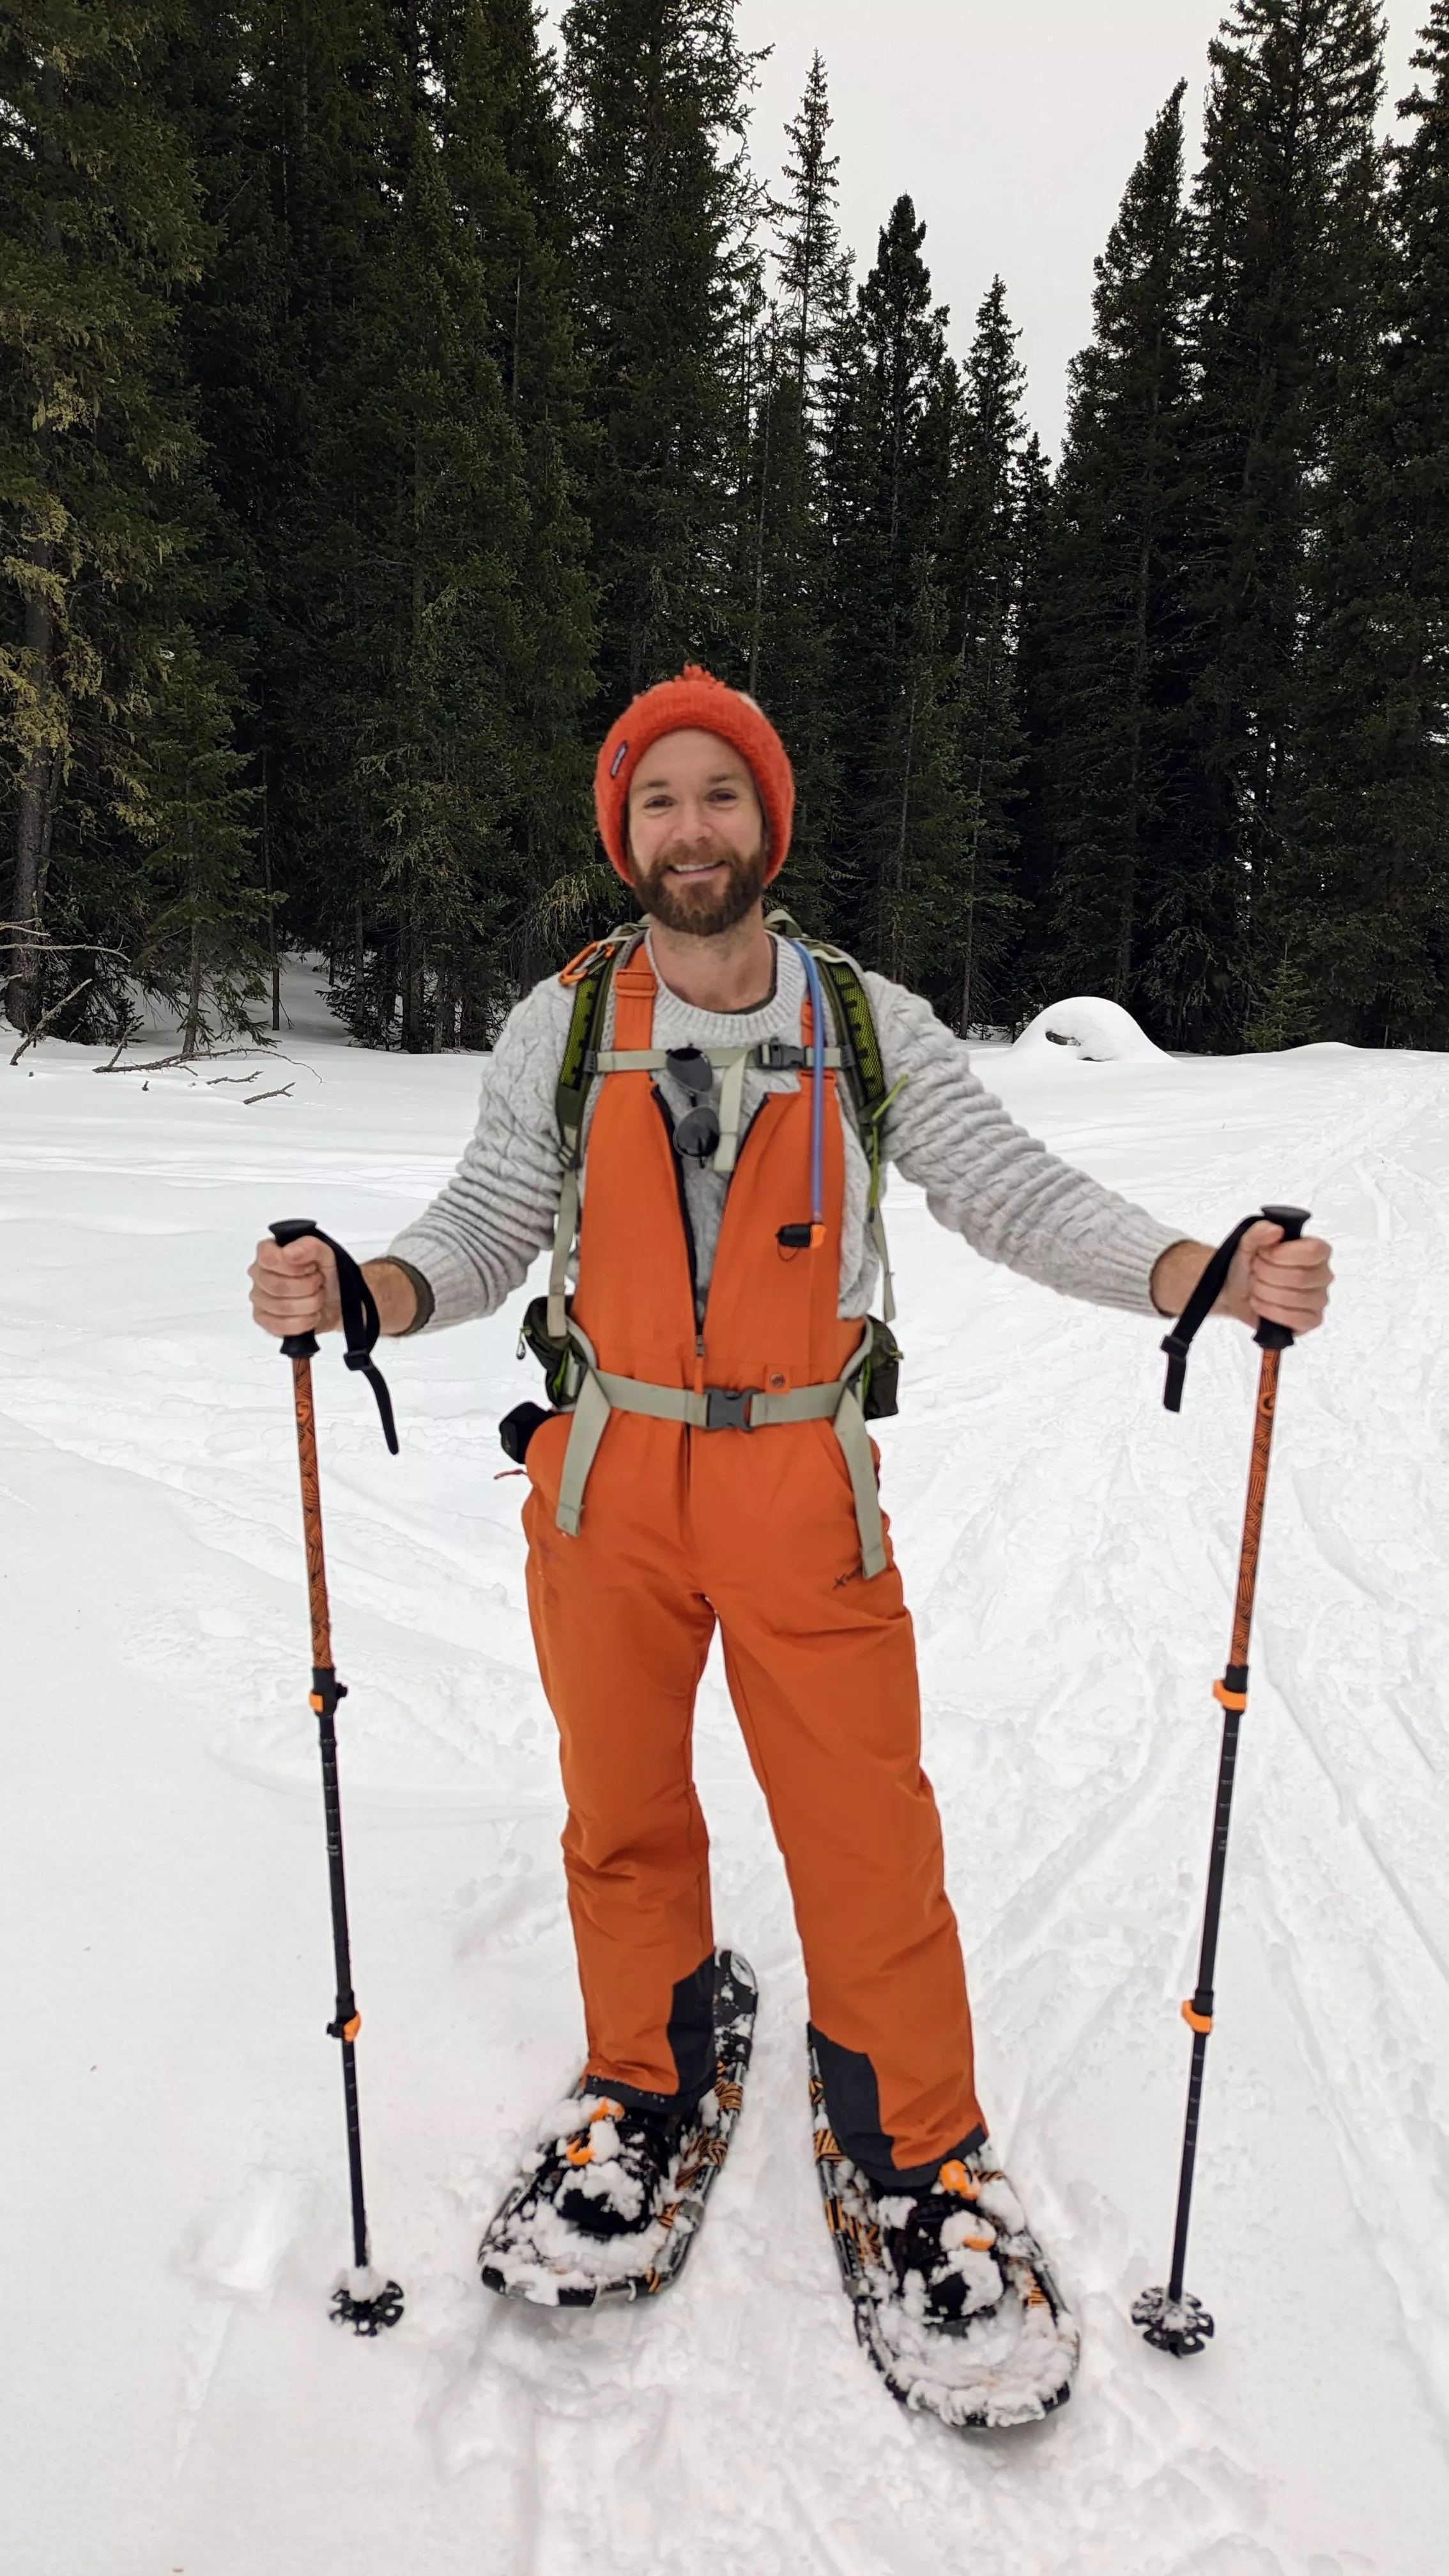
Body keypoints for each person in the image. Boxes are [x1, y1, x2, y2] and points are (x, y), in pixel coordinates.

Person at [249, 667, 1331, 2425]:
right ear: (628, 835)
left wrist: (1192, 1274)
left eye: (719, 796)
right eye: (659, 799)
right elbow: (489, 1220)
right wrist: (361, 1297)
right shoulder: (567, 1017)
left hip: (802, 1486)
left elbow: (1010, 1189)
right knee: (618, 1812)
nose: (691, 826)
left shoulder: (860, 1016)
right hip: (601, 1481)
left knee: (863, 1832)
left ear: (767, 825)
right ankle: (643, 2083)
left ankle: (917, 2164)